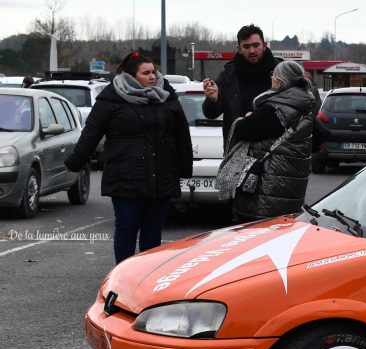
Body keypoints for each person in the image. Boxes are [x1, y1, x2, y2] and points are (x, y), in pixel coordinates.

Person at [64, 52, 191, 263]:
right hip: (126, 175)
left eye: (154, 72)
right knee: (127, 227)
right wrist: (75, 162)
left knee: (153, 229)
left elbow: (181, 133)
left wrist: (185, 167)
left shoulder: (166, 95)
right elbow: (92, 132)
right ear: (132, 76)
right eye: (146, 73)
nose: (152, 77)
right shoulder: (112, 97)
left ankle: (148, 277)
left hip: (161, 174)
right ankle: (123, 276)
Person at [227, 60, 316, 221]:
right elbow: (323, 136)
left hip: (267, 194)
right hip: (291, 190)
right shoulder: (305, 107)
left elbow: (243, 130)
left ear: (280, 81)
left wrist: (246, 118)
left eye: (273, 75)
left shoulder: (276, 109)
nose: (271, 78)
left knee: (256, 240)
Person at [202, 24, 280, 144]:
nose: (252, 50)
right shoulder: (227, 76)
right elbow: (210, 114)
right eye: (246, 46)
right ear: (239, 48)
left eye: (256, 45)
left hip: (275, 152)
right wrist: (213, 100)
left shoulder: (280, 72)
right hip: (237, 152)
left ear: (264, 45)